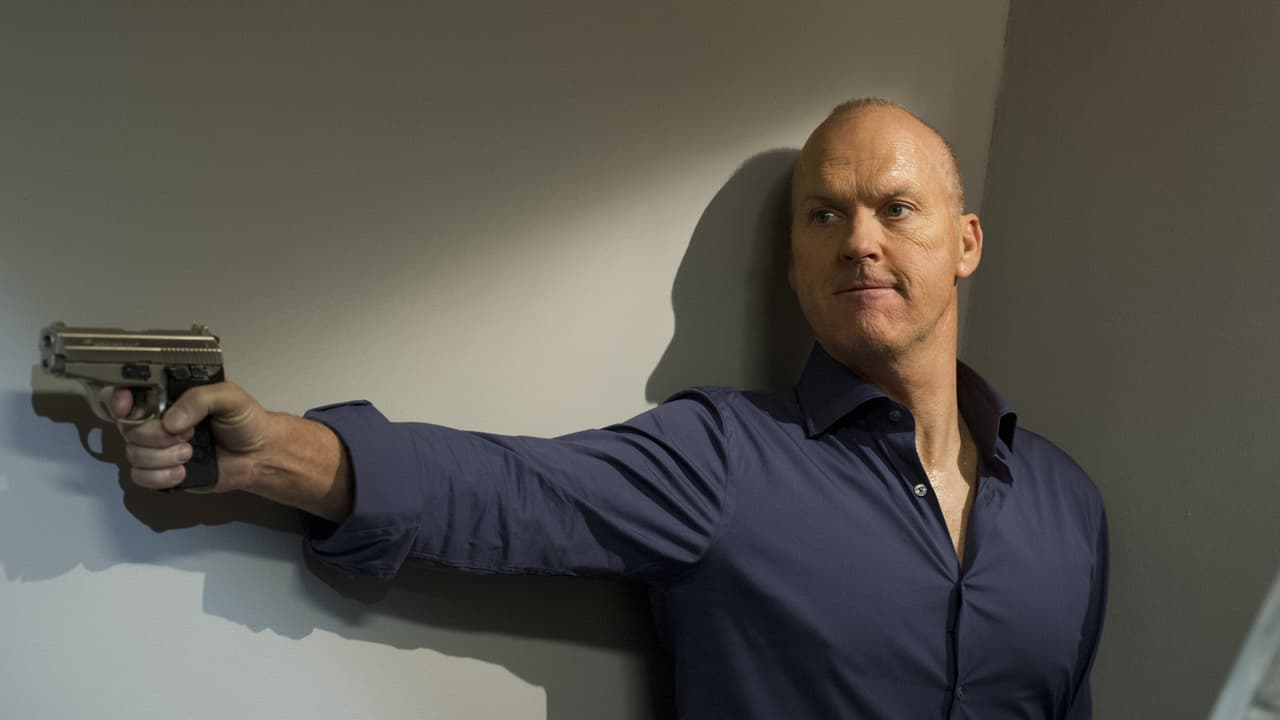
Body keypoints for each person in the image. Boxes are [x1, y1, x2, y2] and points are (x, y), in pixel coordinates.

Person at [113, 98, 1108, 719]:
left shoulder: (1066, 509)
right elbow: (510, 493)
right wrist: (267, 455)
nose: (858, 240)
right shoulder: (726, 460)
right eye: (823, 215)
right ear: (794, 266)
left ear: (965, 242)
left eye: (894, 208)